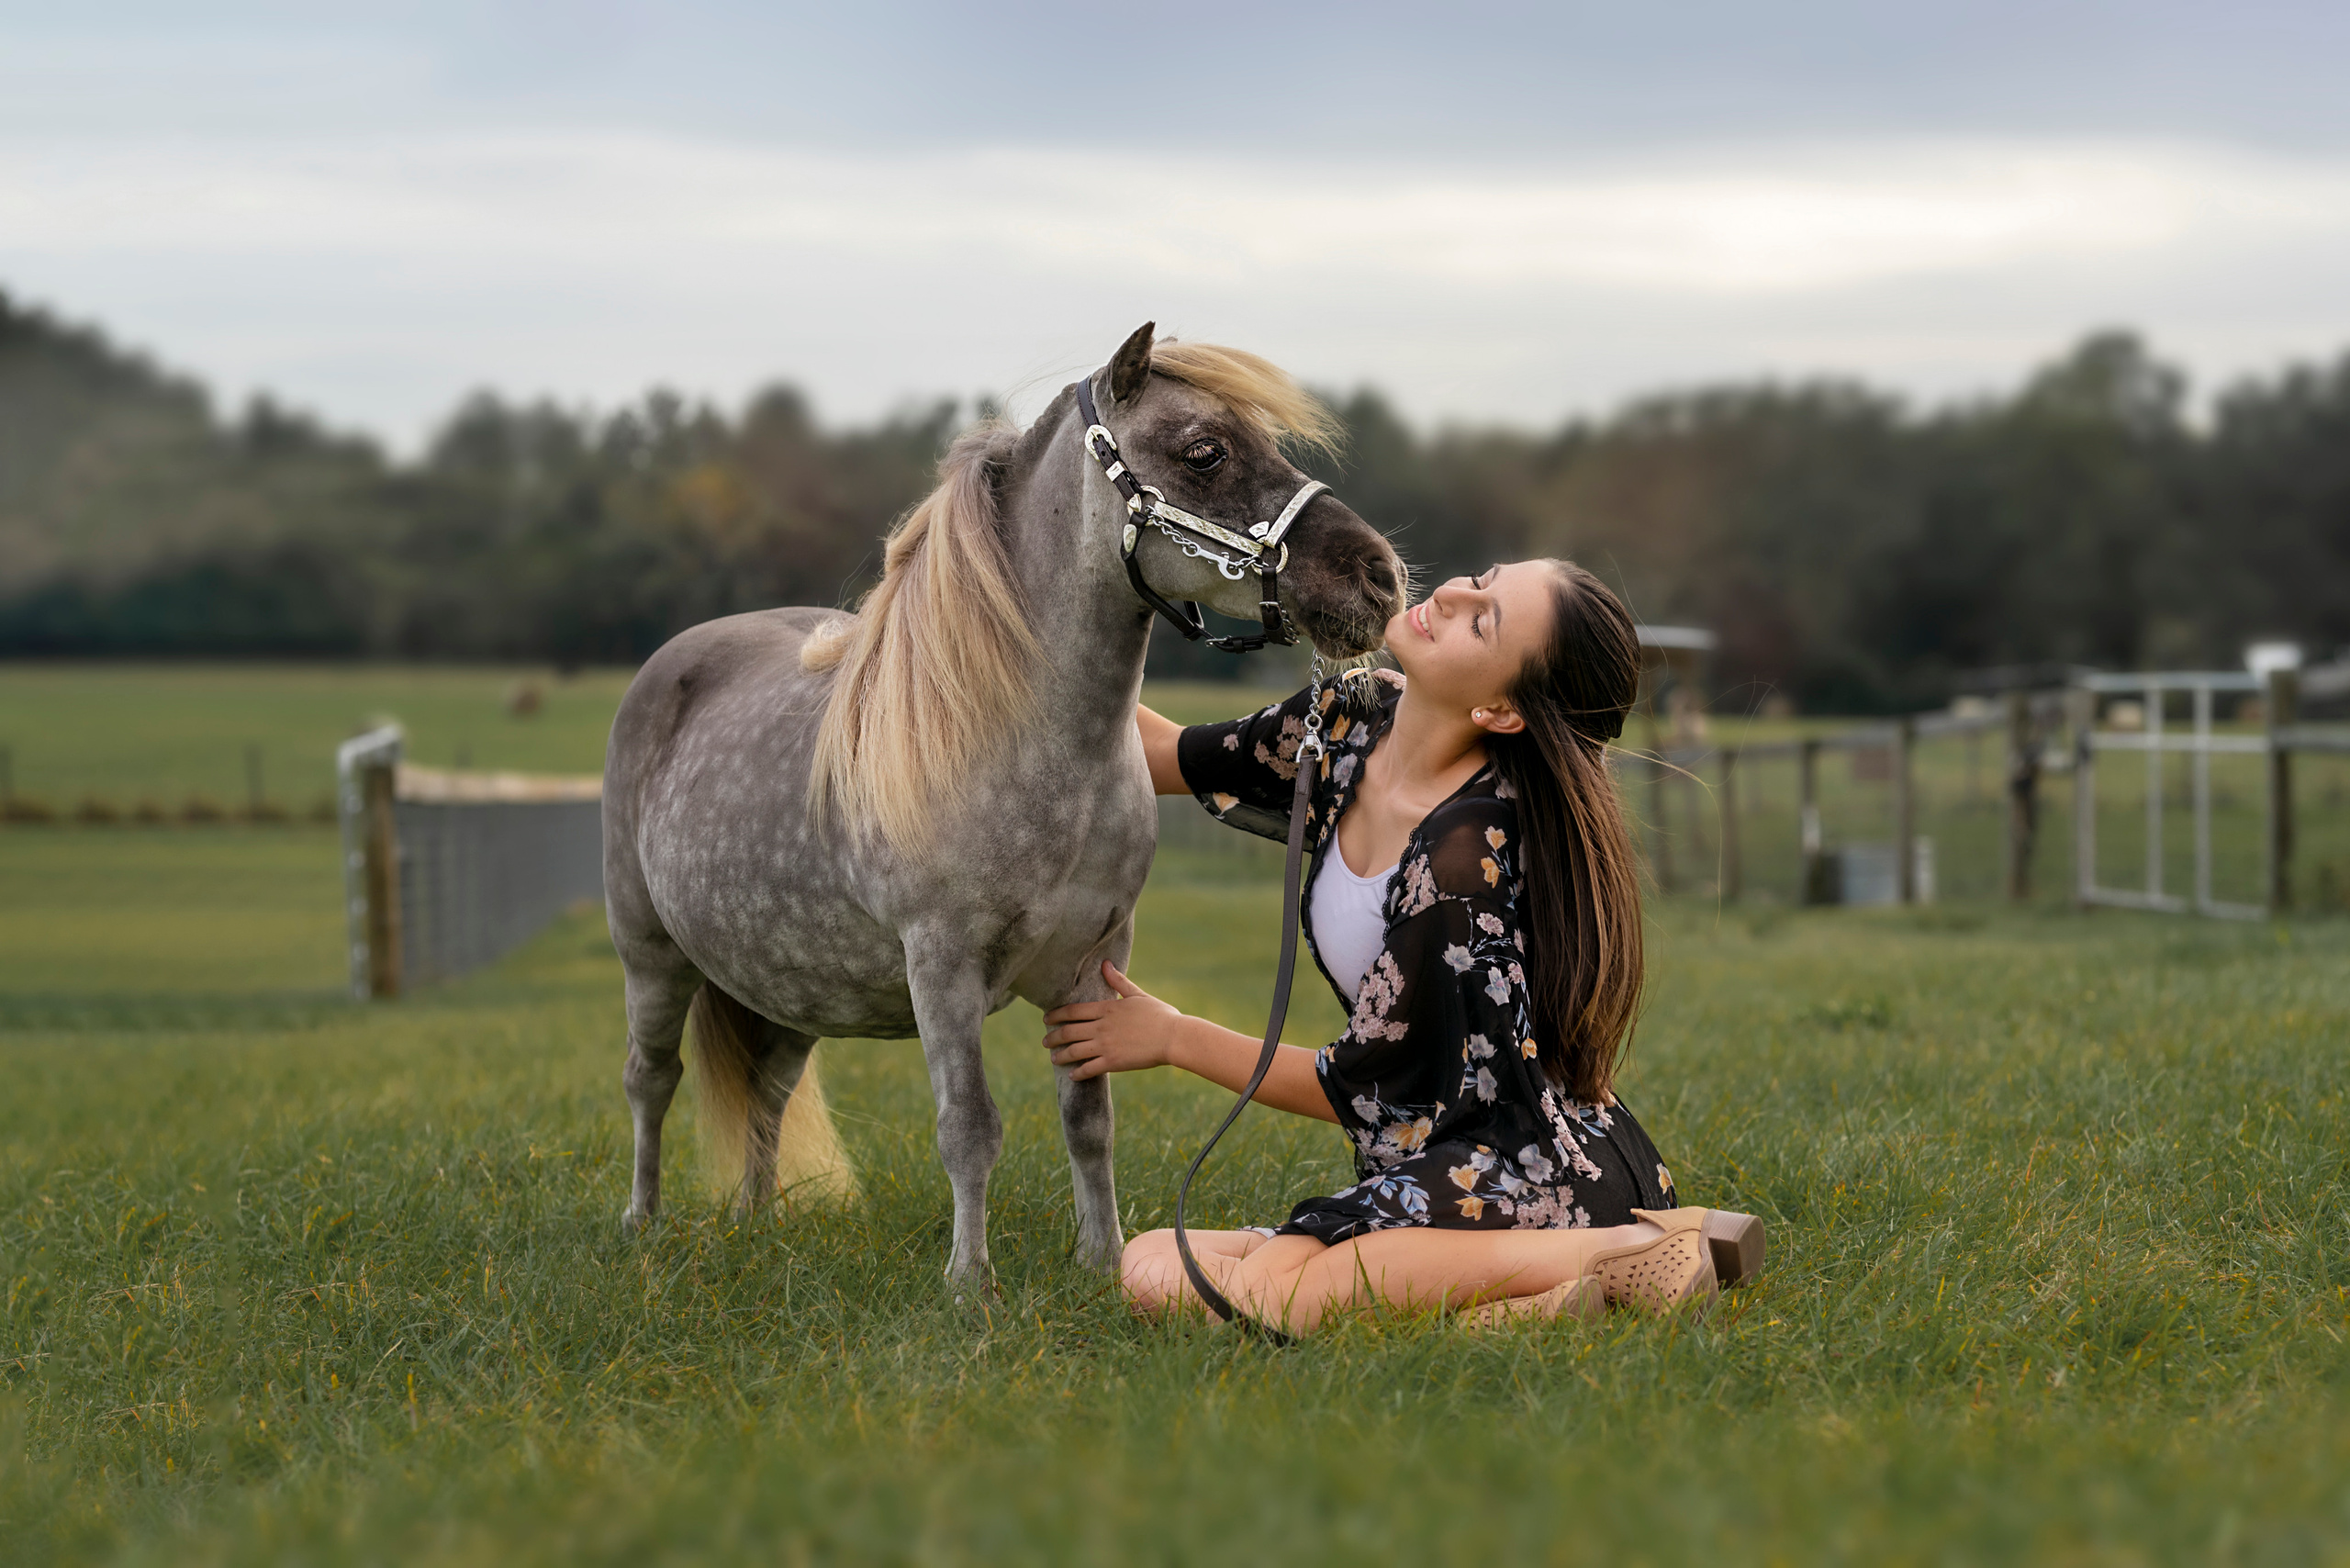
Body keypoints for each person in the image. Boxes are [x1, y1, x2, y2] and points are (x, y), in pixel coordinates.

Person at [1041, 559, 1763, 1335]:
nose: (1451, 595)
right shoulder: (1353, 724)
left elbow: (1364, 1089)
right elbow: (1162, 755)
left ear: (1501, 709)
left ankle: (1637, 1243)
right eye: (1481, 579)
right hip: (1442, 1168)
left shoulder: (1462, 861)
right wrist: (1019, 646)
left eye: (1482, 621)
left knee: (1269, 1299)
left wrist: (1176, 1037)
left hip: (1534, 1175)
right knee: (1151, 1263)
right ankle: (1530, 1308)